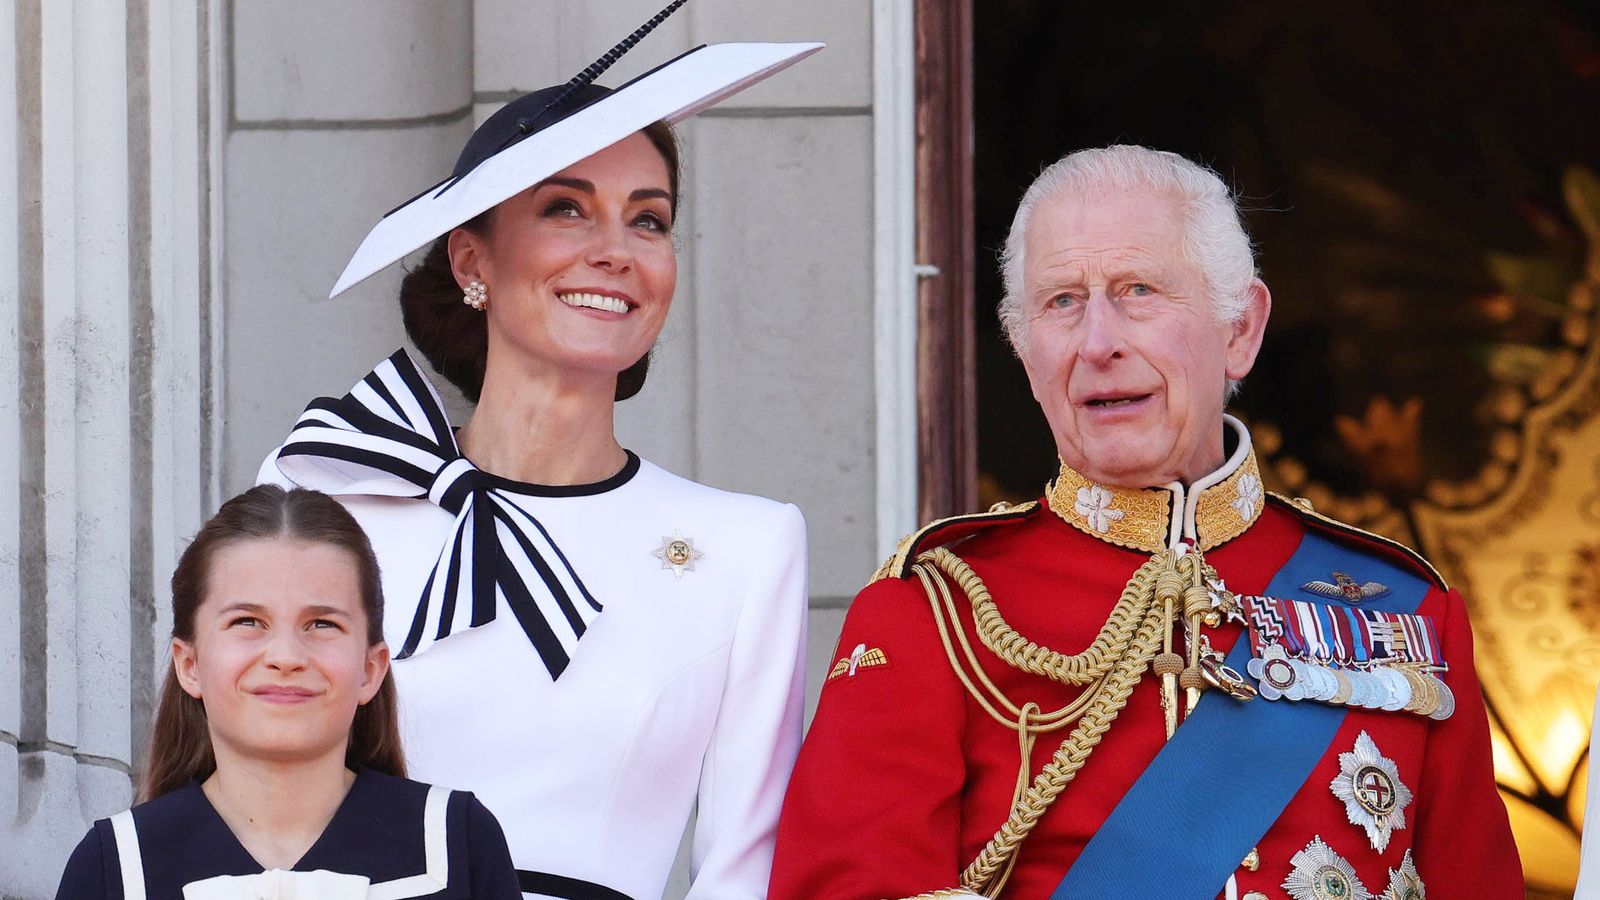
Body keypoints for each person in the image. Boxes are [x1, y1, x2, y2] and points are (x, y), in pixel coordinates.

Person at [769, 145, 1523, 899]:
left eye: (1138, 290)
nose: (1099, 343)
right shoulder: (934, 614)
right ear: (1025, 351)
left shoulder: (1409, 615)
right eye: (1061, 301)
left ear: (1240, 331)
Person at [257, 18, 819, 900]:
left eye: (650, 220)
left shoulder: (748, 548)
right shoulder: (327, 493)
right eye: (567, 208)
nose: (616, 251)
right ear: (472, 258)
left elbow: (745, 872)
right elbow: (231, 791)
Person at [54, 485, 521, 899]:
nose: (286, 656)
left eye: (322, 624)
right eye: (247, 622)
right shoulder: (114, 867)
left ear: (370, 668)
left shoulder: (456, 843)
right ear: (189, 664)